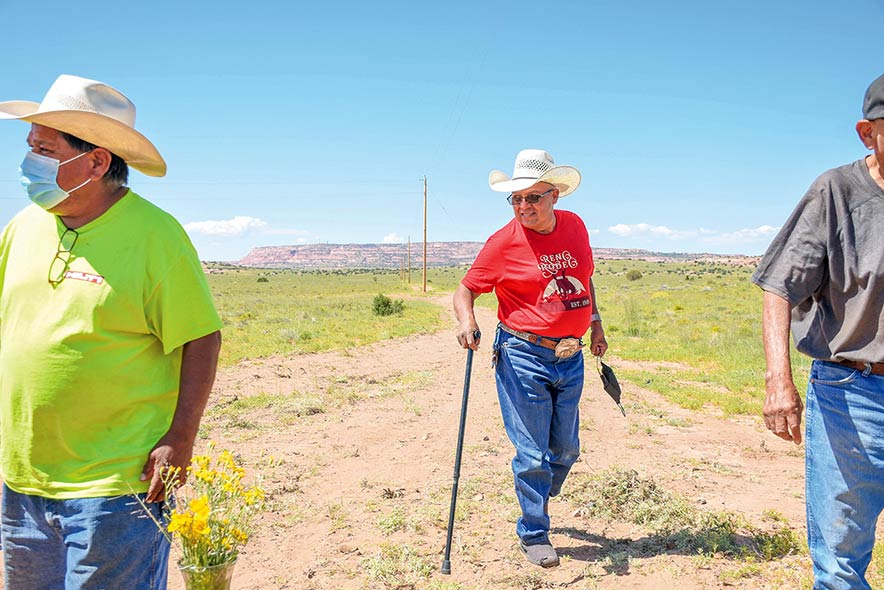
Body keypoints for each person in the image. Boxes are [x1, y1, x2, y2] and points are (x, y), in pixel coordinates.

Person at [0, 75, 223, 590]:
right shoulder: (22, 227)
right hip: (23, 481)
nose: (28, 163)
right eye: (30, 147)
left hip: (117, 486)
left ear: (97, 162)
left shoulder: (156, 236)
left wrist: (181, 437)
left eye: (45, 150)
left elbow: (200, 338)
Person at [753, 73, 884, 590]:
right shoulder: (837, 191)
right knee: (840, 562)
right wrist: (778, 380)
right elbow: (779, 285)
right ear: (867, 133)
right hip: (851, 393)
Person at [454, 148, 607, 567]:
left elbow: (585, 281)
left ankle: (536, 489)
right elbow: (465, 290)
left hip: (570, 356)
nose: (524, 207)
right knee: (532, 453)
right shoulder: (502, 243)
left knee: (566, 449)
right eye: (516, 199)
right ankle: (535, 531)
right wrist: (467, 321)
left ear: (555, 194)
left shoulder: (575, 226)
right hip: (522, 353)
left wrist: (596, 325)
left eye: (533, 198)